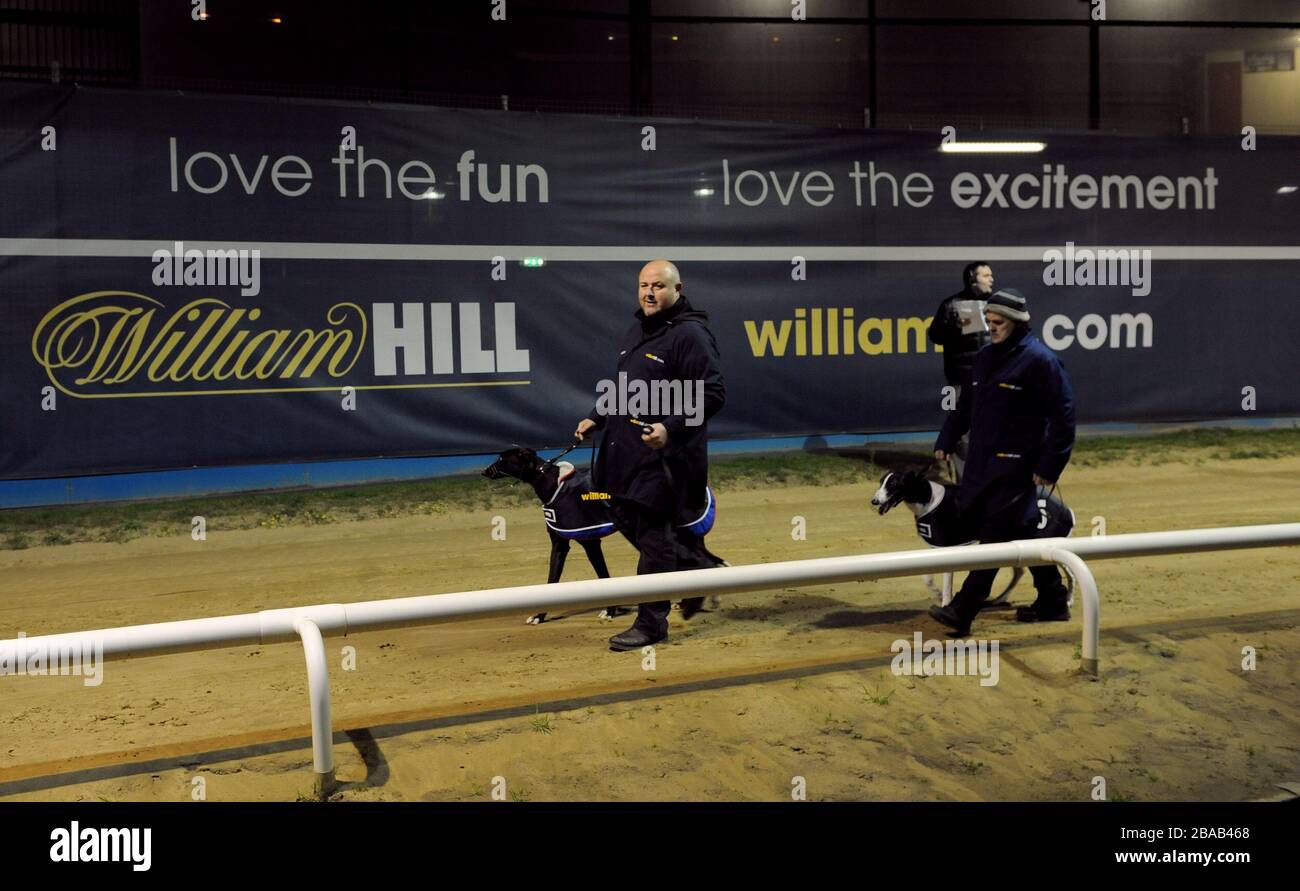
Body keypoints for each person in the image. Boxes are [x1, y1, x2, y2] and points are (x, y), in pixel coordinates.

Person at [575, 259, 726, 651]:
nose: (648, 292)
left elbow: (711, 394)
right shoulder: (639, 327)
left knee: (654, 538)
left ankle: (651, 623)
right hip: (624, 455)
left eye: (658, 286)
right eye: (643, 285)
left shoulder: (690, 335)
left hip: (666, 461)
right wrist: (597, 416)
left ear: (677, 289)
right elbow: (626, 386)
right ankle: (693, 566)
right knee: (622, 516)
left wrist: (669, 428)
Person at [929, 287, 1076, 637]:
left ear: (1017, 323)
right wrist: (947, 439)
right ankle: (1053, 600)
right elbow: (965, 407)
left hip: (1018, 468)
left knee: (995, 537)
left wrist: (1049, 466)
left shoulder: (1041, 361)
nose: (991, 327)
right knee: (1020, 531)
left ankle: (964, 608)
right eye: (989, 321)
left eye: (998, 323)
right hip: (981, 467)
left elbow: (1064, 417)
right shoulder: (983, 358)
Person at [927, 262, 994, 480]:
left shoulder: (994, 304)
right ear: (972, 280)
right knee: (962, 430)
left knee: (988, 427)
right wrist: (954, 327)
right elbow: (936, 335)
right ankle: (966, 483)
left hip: (989, 379)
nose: (991, 279)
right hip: (960, 380)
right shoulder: (955, 304)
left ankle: (986, 475)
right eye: (986, 275)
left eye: (991, 275)